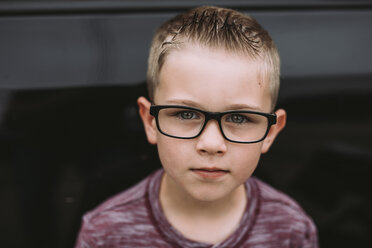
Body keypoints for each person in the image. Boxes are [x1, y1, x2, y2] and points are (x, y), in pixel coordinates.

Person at [75, 6, 318, 247]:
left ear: (270, 132)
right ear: (150, 122)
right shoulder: (105, 234)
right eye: (186, 113)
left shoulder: (291, 230)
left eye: (239, 118)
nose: (211, 144)